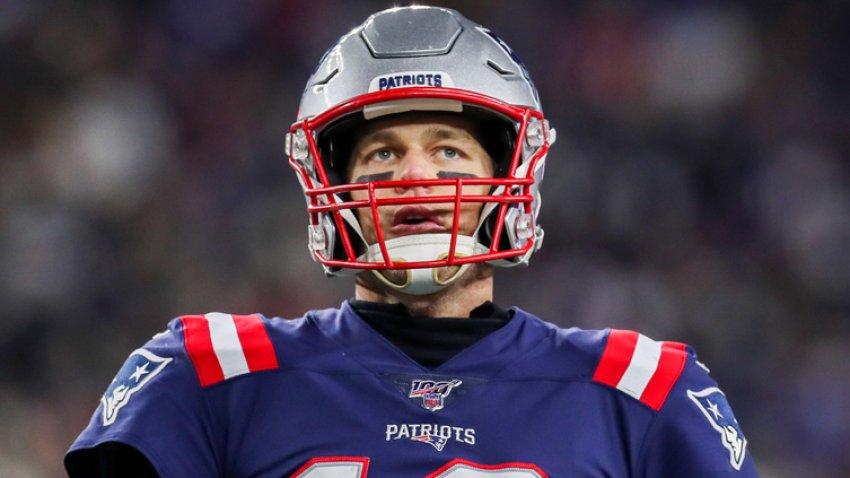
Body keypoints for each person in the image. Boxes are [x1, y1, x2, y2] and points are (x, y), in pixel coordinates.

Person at [65, 6, 759, 477]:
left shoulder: (641, 389)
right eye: (380, 155)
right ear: (332, 186)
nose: (415, 176)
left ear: (508, 177)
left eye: (450, 150)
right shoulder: (208, 373)